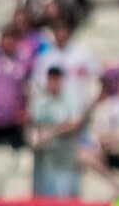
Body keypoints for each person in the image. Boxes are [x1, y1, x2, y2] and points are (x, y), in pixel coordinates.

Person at [29, 66, 85, 198]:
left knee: (64, 198)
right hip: (45, 159)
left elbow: (75, 124)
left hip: (66, 157)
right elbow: (33, 125)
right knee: (44, 197)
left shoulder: (71, 99)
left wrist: (52, 132)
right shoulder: (40, 102)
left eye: (56, 79)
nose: (53, 83)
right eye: (51, 79)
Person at [0, 28, 32, 150]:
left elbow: (28, 88)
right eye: (5, 41)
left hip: (15, 120)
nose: (7, 44)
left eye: (11, 41)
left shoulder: (23, 61)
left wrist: (25, 110)